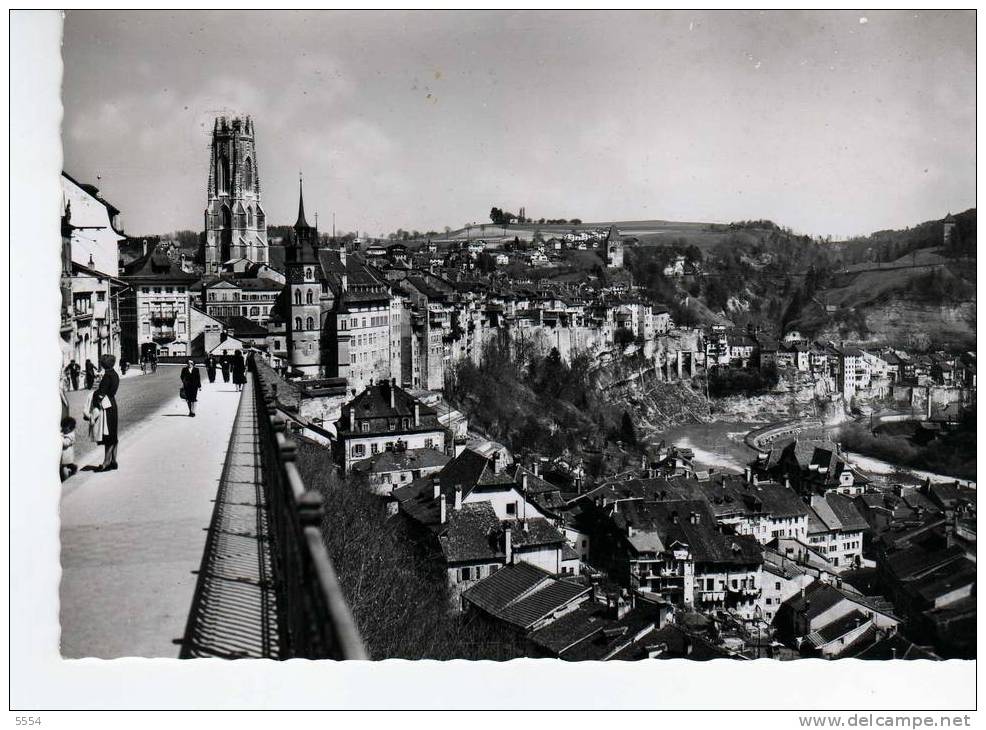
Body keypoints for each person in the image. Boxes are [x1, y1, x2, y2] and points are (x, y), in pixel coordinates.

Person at [91, 354, 119, 472]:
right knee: (113, 434)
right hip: (112, 403)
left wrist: (94, 394)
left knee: (108, 435)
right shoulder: (114, 374)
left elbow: (102, 393)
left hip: (106, 405)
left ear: (103, 364)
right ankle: (113, 461)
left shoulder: (107, 376)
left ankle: (106, 463)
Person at [60, 416, 77, 482]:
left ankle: (66, 479)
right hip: (65, 454)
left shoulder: (70, 436)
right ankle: (73, 468)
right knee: (68, 465)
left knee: (64, 468)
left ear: (70, 429)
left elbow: (65, 444)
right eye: (62, 427)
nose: (63, 429)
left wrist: (60, 438)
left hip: (66, 455)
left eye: (65, 428)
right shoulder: (66, 433)